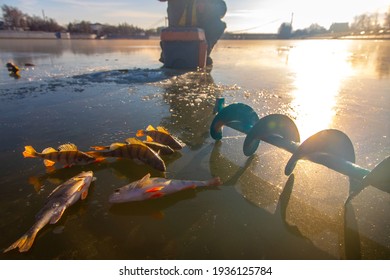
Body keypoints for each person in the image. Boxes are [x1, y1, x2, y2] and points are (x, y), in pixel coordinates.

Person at [158, 0, 226, 65]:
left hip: (199, 33)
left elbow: (222, 9)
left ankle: (203, 54)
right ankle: (168, 54)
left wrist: (206, 6)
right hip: (175, 31)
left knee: (219, 25)